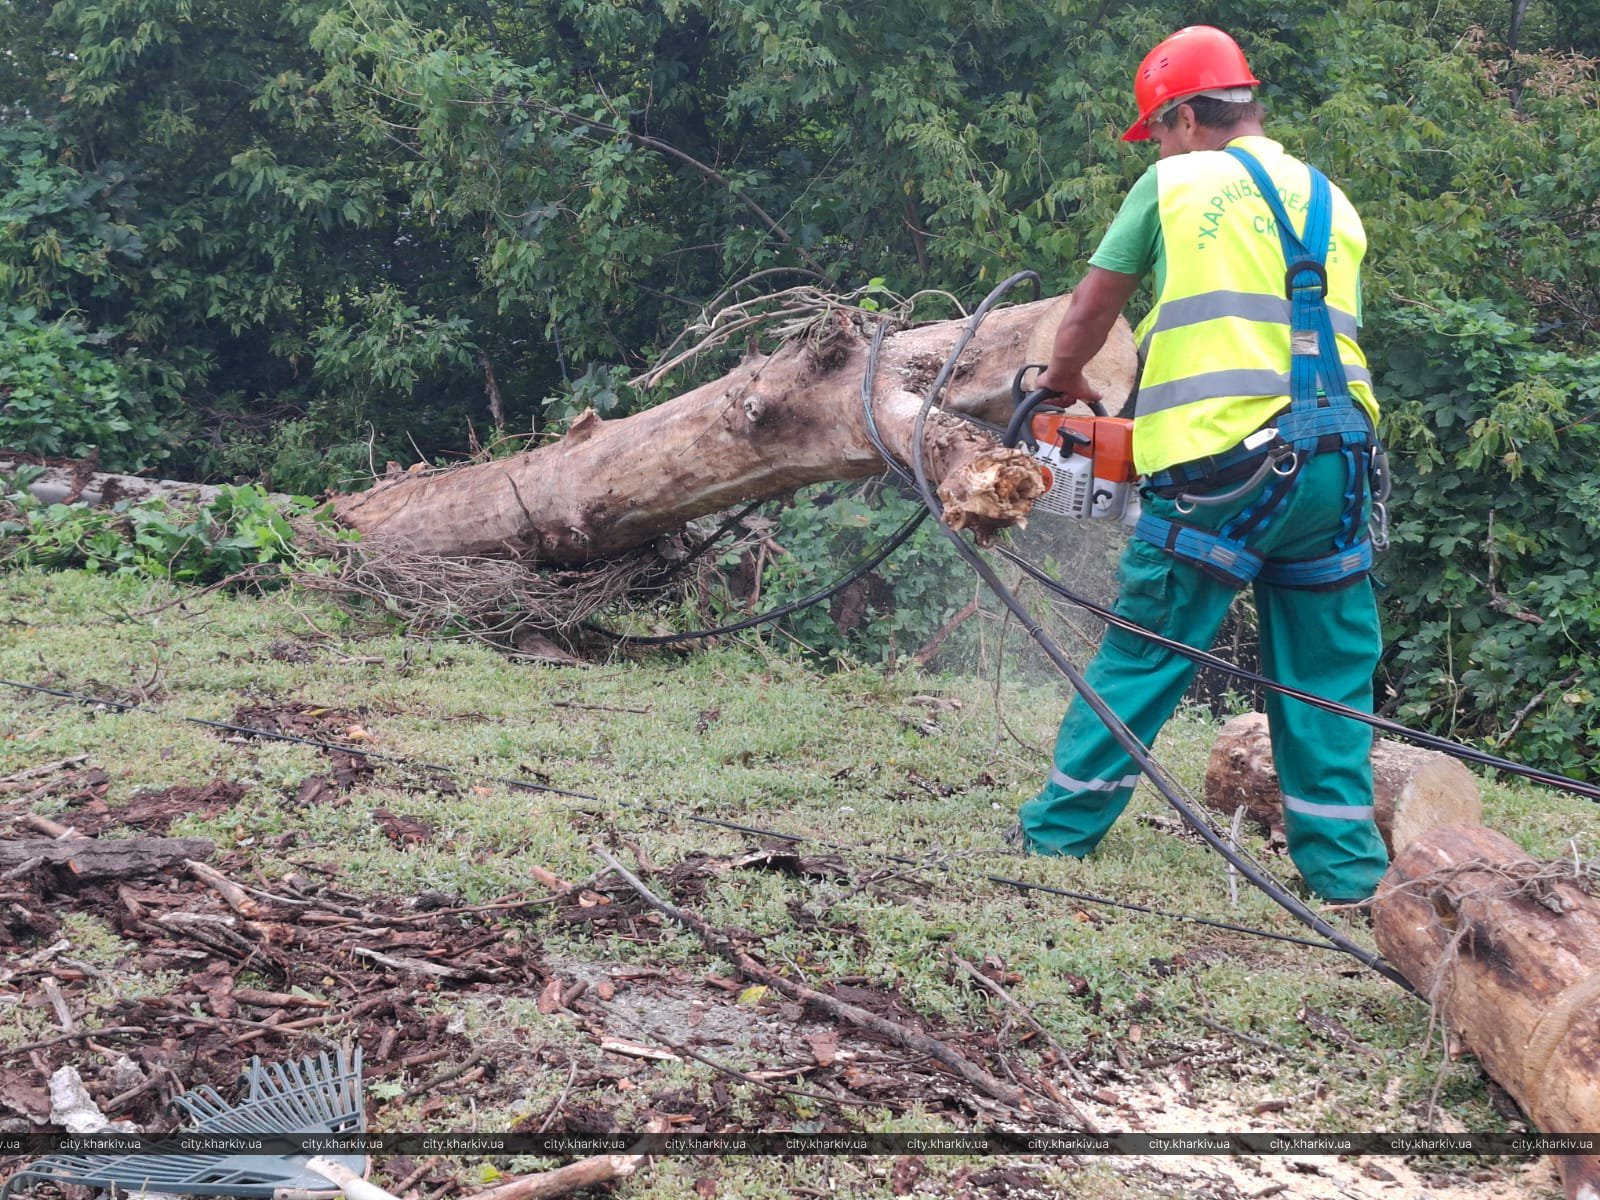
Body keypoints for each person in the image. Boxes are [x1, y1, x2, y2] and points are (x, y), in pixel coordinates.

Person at [1013, 25, 1390, 903]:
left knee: (1147, 647)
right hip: (1341, 465)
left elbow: (1089, 310)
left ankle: (1059, 834)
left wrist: (1059, 388)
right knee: (1328, 670)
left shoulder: (1175, 183)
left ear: (1184, 118)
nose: (1160, 146)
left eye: (1159, 130)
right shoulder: (1333, 198)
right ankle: (1345, 874)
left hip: (1224, 472)